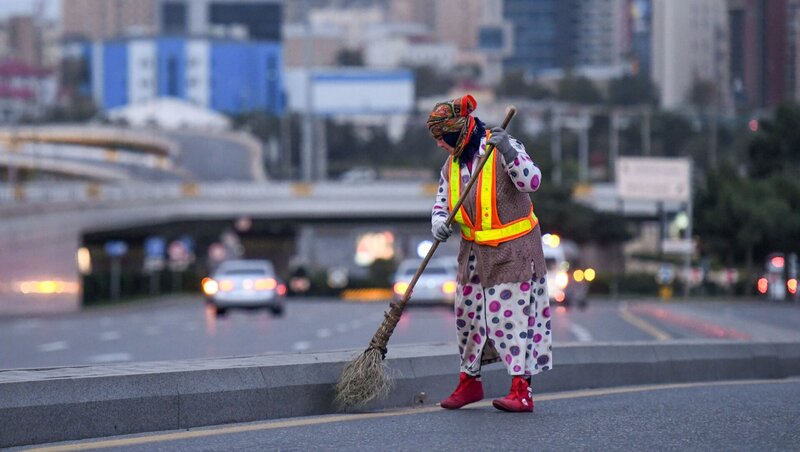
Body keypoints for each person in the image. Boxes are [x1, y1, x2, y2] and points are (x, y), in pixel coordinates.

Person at [427, 94, 552, 413]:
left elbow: (532, 181)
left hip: (514, 250)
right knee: (468, 318)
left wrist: (510, 151)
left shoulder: (500, 148)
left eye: (443, 138)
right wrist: (440, 221)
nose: (440, 145)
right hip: (473, 252)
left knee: (509, 319)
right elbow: (443, 200)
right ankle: (470, 382)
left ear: (457, 132)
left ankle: (521, 389)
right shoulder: (452, 164)